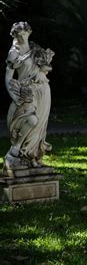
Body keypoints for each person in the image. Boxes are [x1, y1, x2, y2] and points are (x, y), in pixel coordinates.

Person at [4, 21, 54, 171]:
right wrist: (14, 96)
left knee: (40, 126)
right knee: (31, 120)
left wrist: (46, 60)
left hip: (43, 89)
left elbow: (46, 68)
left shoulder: (34, 49)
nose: (21, 37)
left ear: (29, 33)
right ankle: (17, 149)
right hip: (26, 92)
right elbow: (8, 78)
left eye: (24, 34)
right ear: (14, 35)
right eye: (18, 34)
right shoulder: (14, 53)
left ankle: (33, 157)